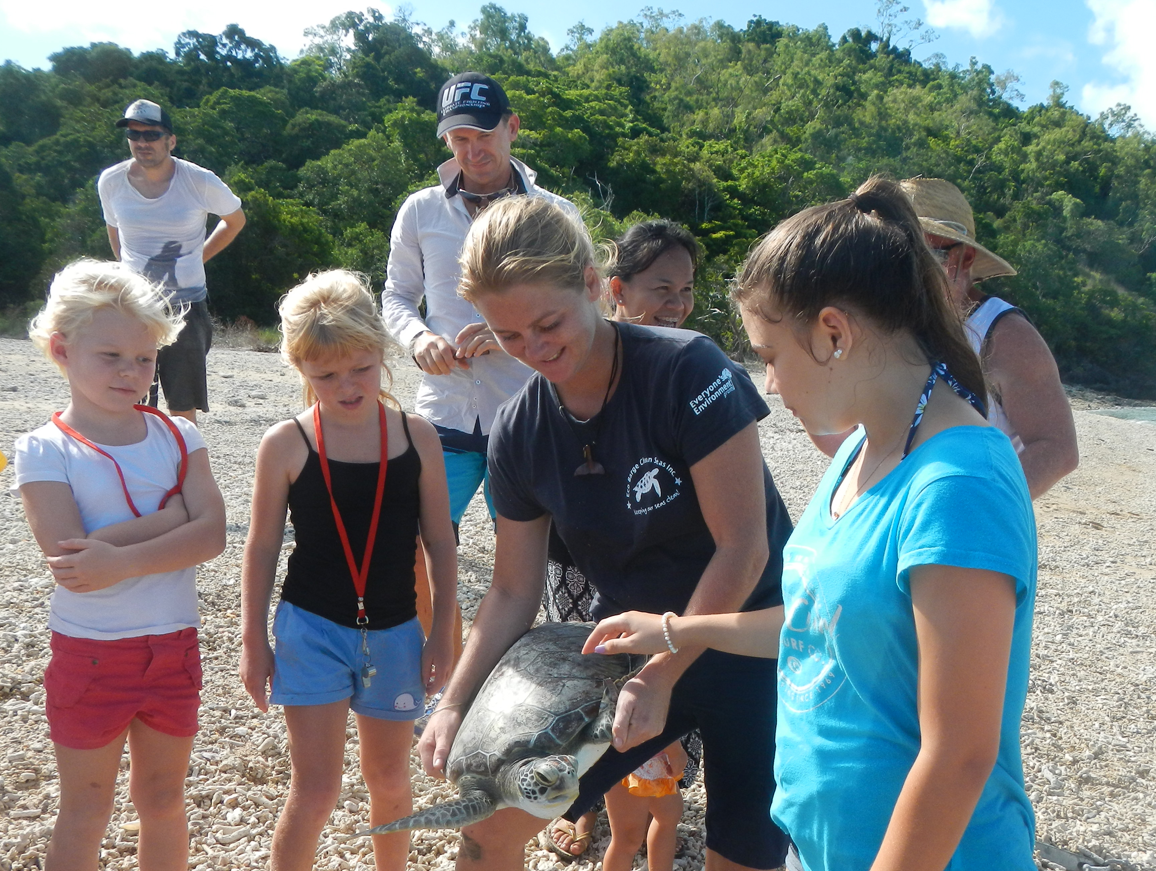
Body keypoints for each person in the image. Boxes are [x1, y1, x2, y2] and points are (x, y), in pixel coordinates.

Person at [587, 177, 1039, 871]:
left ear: (833, 333)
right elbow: (816, 620)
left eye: (771, 357)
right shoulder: (863, 447)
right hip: (819, 844)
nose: (769, 385)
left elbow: (960, 754)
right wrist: (676, 629)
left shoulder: (958, 483)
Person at [418, 196, 794, 871]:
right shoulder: (519, 431)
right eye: (507, 336)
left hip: (749, 640)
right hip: (624, 650)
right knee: (489, 826)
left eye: (548, 323)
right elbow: (510, 589)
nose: (533, 349)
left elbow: (746, 546)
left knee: (738, 853)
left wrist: (663, 672)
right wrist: (454, 702)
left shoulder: (690, 370)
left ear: (593, 285)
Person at [239, 271, 457, 871]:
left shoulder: (419, 438)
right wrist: (253, 640)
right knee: (316, 791)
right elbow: (260, 547)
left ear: (381, 352)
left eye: (360, 368)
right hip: (310, 628)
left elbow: (439, 539)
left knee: (389, 780)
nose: (346, 386)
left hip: (393, 631)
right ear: (301, 370)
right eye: (325, 374)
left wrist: (443, 631)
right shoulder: (284, 444)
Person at [13, 260, 227, 871]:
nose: (131, 372)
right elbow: (73, 560)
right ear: (61, 349)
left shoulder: (179, 435)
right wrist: (170, 520)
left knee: (163, 800)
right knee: (86, 808)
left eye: (144, 358)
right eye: (111, 356)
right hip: (91, 654)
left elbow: (211, 534)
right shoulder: (42, 448)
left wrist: (122, 554)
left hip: (173, 648)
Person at [544, 218, 701, 859]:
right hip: (580, 564)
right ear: (615, 290)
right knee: (581, 690)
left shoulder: (692, 368)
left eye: (687, 290)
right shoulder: (570, 360)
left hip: (664, 566)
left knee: (662, 690)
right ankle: (581, 809)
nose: (677, 305)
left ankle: (659, 800)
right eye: (662, 288)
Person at [381, 72, 579, 540]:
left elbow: (583, 308)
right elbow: (396, 295)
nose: (473, 151)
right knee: (418, 546)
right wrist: (419, 337)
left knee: (526, 550)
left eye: (484, 135)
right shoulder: (420, 210)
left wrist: (512, 338)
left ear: (512, 127)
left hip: (529, 406)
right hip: (443, 409)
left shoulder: (557, 214)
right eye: (459, 138)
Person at [901, 177, 1078, 498]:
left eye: (925, 254)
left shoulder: (1004, 334)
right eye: (895, 254)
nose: (905, 270)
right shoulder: (890, 322)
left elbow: (1056, 448)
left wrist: (979, 508)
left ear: (964, 259)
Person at [98, 99, 247, 425]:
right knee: (132, 400)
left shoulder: (198, 180)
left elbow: (235, 220)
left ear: (171, 140)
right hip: (132, 308)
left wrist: (199, 256)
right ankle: (135, 471)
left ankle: (183, 472)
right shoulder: (111, 182)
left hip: (186, 306)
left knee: (182, 405)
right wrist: (126, 272)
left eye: (151, 134)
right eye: (134, 135)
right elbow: (114, 230)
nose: (142, 142)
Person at [601, 741, 687, 871]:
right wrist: (676, 752)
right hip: (627, 757)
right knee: (628, 838)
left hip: (657, 754)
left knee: (669, 816)